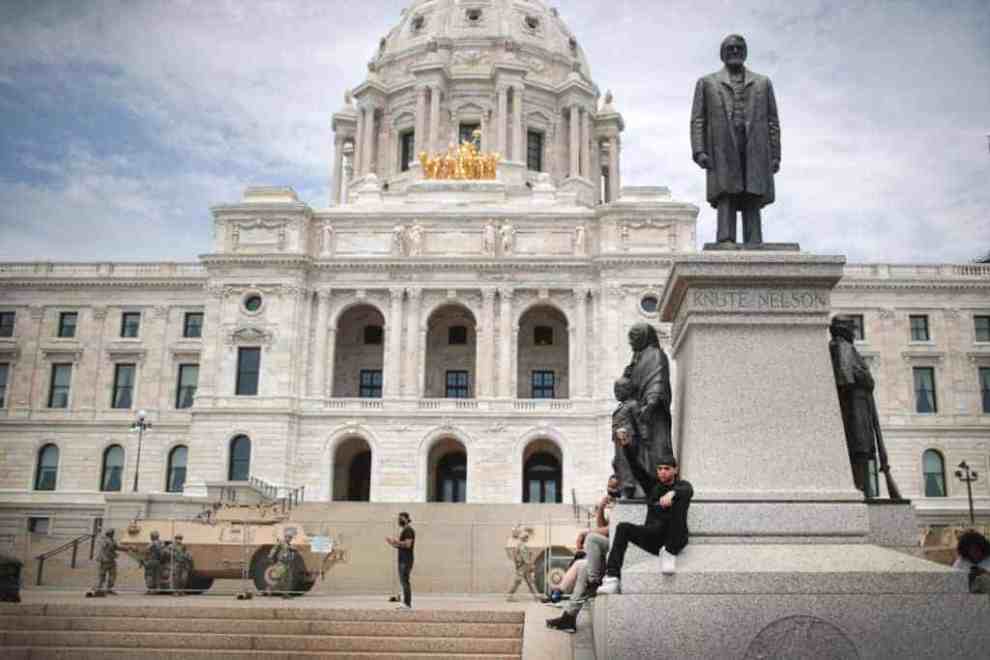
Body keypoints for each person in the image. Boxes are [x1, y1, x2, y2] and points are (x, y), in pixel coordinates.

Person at [691, 34, 780, 245]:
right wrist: (699, 150)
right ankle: (725, 238)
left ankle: (754, 239)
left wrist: (775, 154)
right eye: (730, 48)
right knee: (726, 192)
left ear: (745, 52)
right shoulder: (707, 82)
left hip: (755, 144)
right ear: (722, 54)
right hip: (721, 145)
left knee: (753, 191)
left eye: (739, 48)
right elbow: (698, 119)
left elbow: (772, 121)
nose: (734, 51)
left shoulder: (762, 83)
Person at [599, 444, 693, 594]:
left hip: (674, 539)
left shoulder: (682, 485)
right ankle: (612, 578)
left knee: (680, 501)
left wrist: (673, 493)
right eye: (660, 469)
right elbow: (636, 468)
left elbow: (688, 490)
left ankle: (669, 551)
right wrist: (627, 446)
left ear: (675, 470)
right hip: (653, 538)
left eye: (667, 469)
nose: (663, 472)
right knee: (623, 528)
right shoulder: (653, 486)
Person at [546, 476, 620, 633]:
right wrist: (601, 508)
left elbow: (610, 530)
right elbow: (602, 526)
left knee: (591, 539)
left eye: (614, 487)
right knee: (582, 567)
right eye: (609, 487)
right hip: (608, 549)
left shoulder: (623, 505)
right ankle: (569, 617)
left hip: (618, 550)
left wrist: (585, 533)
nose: (610, 491)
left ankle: (592, 582)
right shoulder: (614, 505)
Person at [623, 323, 673, 468]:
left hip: (652, 413)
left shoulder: (656, 355)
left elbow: (658, 380)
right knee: (639, 457)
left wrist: (650, 404)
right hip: (637, 414)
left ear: (643, 338)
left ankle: (658, 477)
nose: (630, 342)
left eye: (633, 338)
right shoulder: (637, 358)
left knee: (656, 452)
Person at [611, 379, 642, 499]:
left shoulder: (633, 404)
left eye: (618, 390)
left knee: (626, 463)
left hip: (628, 440)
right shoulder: (622, 405)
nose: (616, 393)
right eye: (615, 390)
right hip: (618, 440)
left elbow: (640, 423)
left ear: (627, 390)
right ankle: (622, 487)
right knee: (617, 462)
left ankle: (628, 488)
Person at [386, 512, 415, 608]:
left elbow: (408, 544)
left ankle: (407, 604)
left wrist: (396, 541)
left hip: (406, 560)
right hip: (402, 559)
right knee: (403, 581)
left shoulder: (408, 530)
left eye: (401, 518)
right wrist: (393, 543)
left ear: (406, 519)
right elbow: (401, 545)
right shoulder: (405, 530)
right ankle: (405, 602)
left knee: (405, 581)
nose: (399, 520)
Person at [506, 525, 539, 602]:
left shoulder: (520, 545)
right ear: (524, 538)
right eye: (527, 537)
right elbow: (525, 559)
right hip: (523, 567)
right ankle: (509, 596)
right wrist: (531, 565)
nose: (528, 539)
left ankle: (536, 597)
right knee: (518, 581)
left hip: (523, 567)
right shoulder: (521, 546)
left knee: (529, 582)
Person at [953, 530, 990, 594]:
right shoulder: (960, 562)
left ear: (983, 547)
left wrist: (986, 574)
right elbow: (953, 581)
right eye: (970, 550)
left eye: (977, 549)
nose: (974, 552)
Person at [268, 531, 299, 598]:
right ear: (285, 537)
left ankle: (285, 594)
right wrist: (270, 556)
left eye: (291, 537)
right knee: (278, 579)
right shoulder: (281, 543)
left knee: (288, 580)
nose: (290, 539)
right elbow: (274, 549)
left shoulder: (289, 545)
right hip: (281, 563)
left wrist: (293, 549)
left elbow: (292, 550)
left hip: (288, 564)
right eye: (289, 537)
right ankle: (270, 589)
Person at [91, 529, 121, 596]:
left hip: (111, 560)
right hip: (105, 560)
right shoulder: (105, 540)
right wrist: (115, 555)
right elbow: (107, 550)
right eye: (112, 533)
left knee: (113, 574)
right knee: (102, 575)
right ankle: (98, 588)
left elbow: (117, 547)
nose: (113, 534)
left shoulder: (112, 540)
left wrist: (127, 548)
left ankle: (109, 588)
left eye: (113, 533)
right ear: (109, 534)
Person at [144, 530, 163, 594]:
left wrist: (145, 560)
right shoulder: (160, 543)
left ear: (152, 536)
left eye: (151, 536)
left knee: (150, 575)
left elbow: (146, 551)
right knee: (156, 576)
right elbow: (161, 553)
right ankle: (156, 589)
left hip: (152, 561)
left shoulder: (152, 543)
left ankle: (151, 589)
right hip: (157, 561)